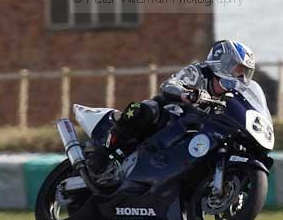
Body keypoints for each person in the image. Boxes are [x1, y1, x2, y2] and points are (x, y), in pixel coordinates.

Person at [86, 40, 260, 183]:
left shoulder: (232, 95)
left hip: (195, 132)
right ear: (224, 63)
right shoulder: (199, 72)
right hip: (170, 115)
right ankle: (103, 154)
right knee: (143, 110)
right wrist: (186, 93)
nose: (242, 77)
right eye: (238, 69)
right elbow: (169, 85)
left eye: (245, 72)